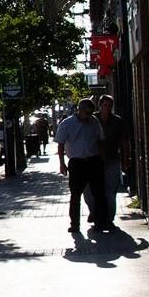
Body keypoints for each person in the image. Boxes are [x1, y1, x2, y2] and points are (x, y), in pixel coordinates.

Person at [54, 98, 108, 233]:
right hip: (76, 163)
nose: (89, 116)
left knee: (99, 194)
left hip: (93, 161)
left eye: (91, 113)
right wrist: (62, 164)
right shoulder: (67, 124)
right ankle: (75, 224)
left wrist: (102, 159)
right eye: (87, 113)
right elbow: (60, 145)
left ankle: (100, 223)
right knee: (75, 195)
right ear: (80, 110)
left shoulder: (94, 122)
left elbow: (100, 141)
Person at [83, 94, 130, 229]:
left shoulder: (117, 121)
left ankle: (108, 219)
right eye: (105, 105)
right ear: (100, 106)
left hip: (111, 159)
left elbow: (125, 142)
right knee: (89, 191)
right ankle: (94, 212)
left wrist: (126, 159)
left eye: (110, 106)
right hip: (94, 160)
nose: (107, 108)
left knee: (110, 191)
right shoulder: (92, 120)